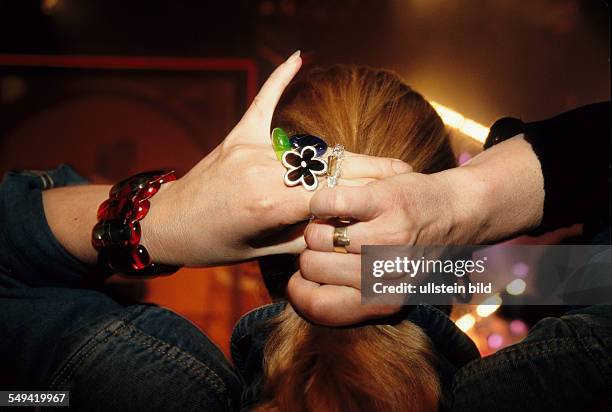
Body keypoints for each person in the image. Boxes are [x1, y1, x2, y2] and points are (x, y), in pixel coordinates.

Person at [0, 52, 409, 410]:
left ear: (258, 255)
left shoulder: (141, 387)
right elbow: (462, 272)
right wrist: (465, 219)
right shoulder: (474, 392)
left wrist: (160, 218)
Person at [287, 99, 611, 411]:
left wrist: (232, 219)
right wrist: (463, 200)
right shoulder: (562, 385)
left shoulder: (234, 396)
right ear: (457, 257)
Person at [232, 65, 477, 412]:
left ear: (261, 247)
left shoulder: (170, 388)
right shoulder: (552, 382)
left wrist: (163, 227)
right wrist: (478, 198)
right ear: (453, 243)